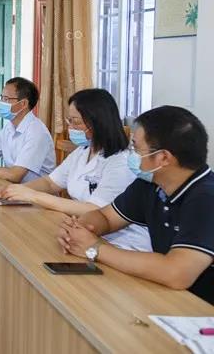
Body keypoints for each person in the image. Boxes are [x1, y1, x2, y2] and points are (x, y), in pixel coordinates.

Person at [57, 106, 214, 304]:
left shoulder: (206, 198)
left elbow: (177, 272)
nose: (131, 154)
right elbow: (106, 217)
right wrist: (78, 230)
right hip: (166, 294)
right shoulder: (150, 183)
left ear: (163, 157)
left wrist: (94, 248)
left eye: (136, 148)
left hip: (200, 308)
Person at [0, 89, 150, 251]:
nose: (70, 127)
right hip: (84, 231)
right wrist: (15, 191)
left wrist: (34, 196)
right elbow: (50, 183)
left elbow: (96, 210)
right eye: (69, 120)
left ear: (96, 122)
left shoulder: (120, 162)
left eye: (75, 122)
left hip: (122, 243)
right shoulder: (83, 151)